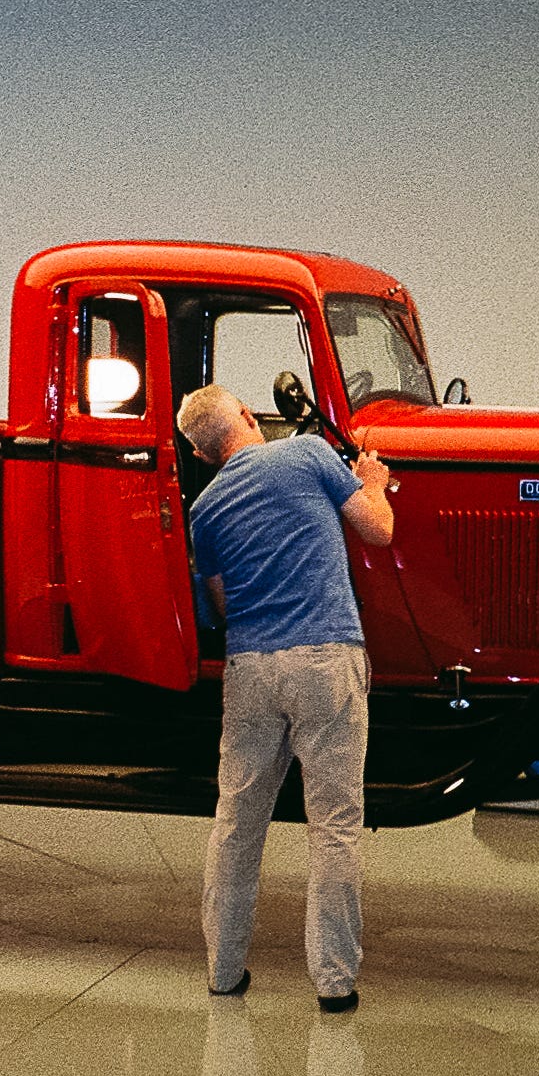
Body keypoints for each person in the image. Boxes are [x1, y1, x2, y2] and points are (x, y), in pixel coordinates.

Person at [173, 381, 393, 1012]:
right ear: (248, 415)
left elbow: (219, 604)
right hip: (326, 660)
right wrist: (373, 481)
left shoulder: (204, 511)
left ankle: (223, 971)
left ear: (202, 453)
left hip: (250, 669)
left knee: (237, 824)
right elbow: (378, 530)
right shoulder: (308, 454)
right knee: (334, 826)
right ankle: (333, 982)